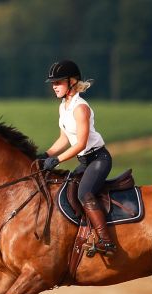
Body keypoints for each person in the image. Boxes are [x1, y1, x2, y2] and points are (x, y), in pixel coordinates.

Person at [40, 60, 116, 255]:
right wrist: (46, 154)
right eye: (53, 83)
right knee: (67, 190)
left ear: (72, 82)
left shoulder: (80, 107)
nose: (54, 86)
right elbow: (64, 138)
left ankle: (106, 241)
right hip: (85, 161)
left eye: (58, 82)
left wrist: (57, 160)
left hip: (98, 159)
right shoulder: (63, 106)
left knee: (84, 194)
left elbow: (80, 143)